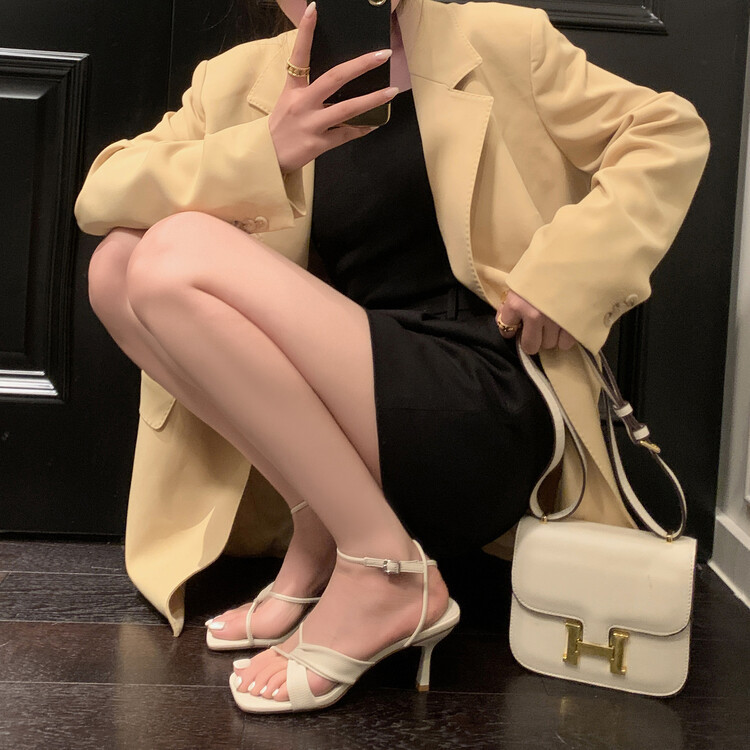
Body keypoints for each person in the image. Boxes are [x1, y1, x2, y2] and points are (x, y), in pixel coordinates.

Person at [74, 0, 709, 714]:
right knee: (117, 265)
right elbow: (100, 193)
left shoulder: (497, 39)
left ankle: (386, 573)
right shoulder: (239, 81)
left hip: (482, 396)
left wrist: (567, 275)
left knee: (172, 251)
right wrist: (265, 150)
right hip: (353, 418)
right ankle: (325, 531)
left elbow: (668, 130)